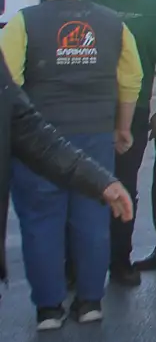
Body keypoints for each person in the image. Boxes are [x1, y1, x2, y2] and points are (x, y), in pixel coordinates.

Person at [0, 0, 156, 287]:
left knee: (124, 188)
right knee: (77, 187)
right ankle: (73, 268)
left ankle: (119, 260)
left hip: (135, 110)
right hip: (92, 113)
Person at [0, 60, 134, 325]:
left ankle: (49, 308)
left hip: (57, 137)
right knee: (86, 226)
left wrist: (99, 181)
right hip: (93, 131)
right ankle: (88, 302)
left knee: (44, 226)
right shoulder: (113, 24)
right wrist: (124, 125)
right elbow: (132, 77)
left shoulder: (23, 24)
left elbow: (24, 126)